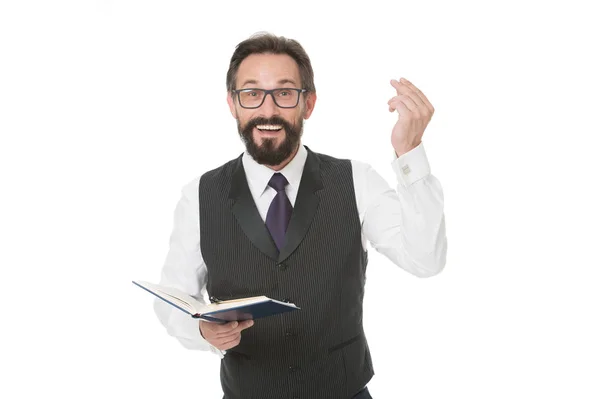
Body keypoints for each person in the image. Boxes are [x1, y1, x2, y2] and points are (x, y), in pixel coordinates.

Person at [153, 32, 447, 399]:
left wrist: (410, 153)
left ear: (308, 103)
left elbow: (426, 259)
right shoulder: (199, 196)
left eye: (285, 92)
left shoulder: (357, 181)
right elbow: (175, 299)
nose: (268, 109)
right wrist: (201, 331)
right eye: (251, 93)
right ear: (233, 103)